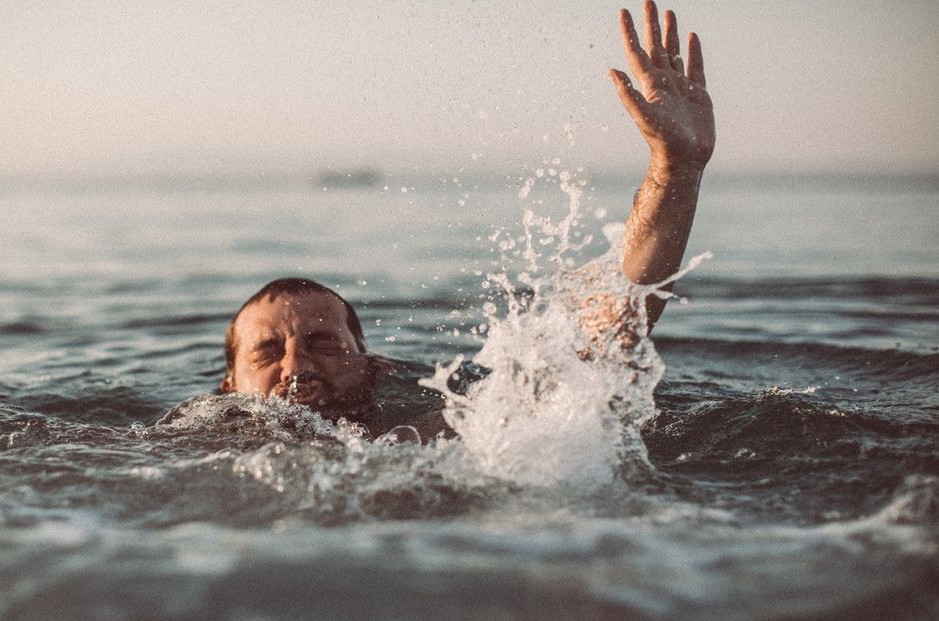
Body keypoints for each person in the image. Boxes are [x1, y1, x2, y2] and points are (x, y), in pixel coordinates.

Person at [217, 0, 714, 425]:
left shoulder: (448, 420)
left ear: (374, 364)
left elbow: (601, 336)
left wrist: (674, 171)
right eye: (265, 352)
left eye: (323, 342)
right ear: (229, 385)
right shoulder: (187, 444)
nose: (296, 364)